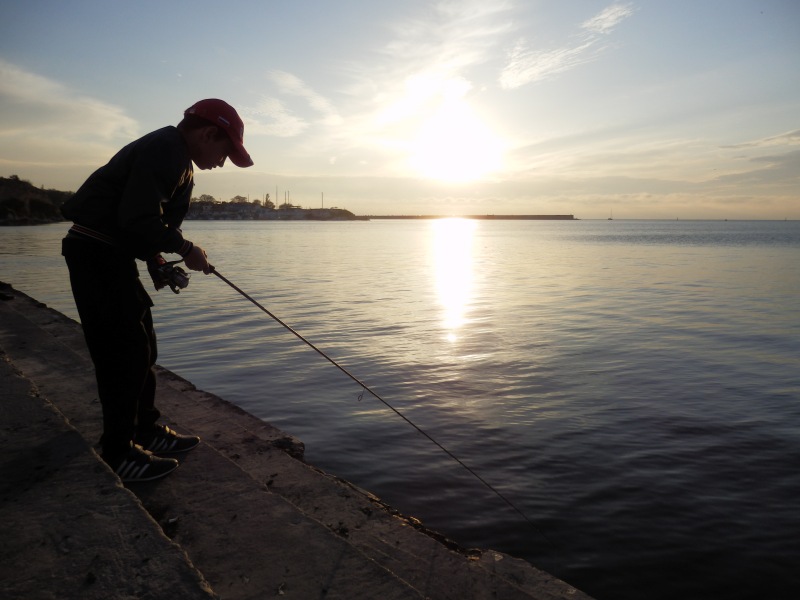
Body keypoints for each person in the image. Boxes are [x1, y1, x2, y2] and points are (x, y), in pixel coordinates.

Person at [61, 99, 253, 482]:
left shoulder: (177, 159)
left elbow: (137, 224)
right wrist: (185, 250)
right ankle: (118, 453)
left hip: (110, 256)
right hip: (95, 254)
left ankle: (145, 430)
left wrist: (157, 261)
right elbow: (137, 217)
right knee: (124, 353)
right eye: (225, 151)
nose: (223, 161)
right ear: (208, 133)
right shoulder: (168, 150)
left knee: (144, 345)